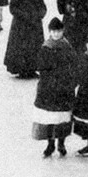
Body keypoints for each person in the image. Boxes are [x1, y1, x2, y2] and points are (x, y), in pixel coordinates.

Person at [33, 17, 77, 157]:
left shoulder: (67, 47)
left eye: (58, 31)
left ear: (62, 31)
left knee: (62, 117)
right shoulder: (46, 47)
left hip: (64, 87)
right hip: (49, 88)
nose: (56, 34)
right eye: (53, 31)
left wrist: (71, 81)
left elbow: (74, 65)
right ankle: (50, 144)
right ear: (49, 32)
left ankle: (61, 143)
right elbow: (41, 68)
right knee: (50, 118)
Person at [5, 0, 47, 79]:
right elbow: (12, 8)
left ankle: (32, 68)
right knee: (21, 46)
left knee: (34, 46)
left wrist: (40, 15)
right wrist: (24, 16)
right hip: (21, 25)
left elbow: (42, 6)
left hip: (35, 24)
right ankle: (21, 69)